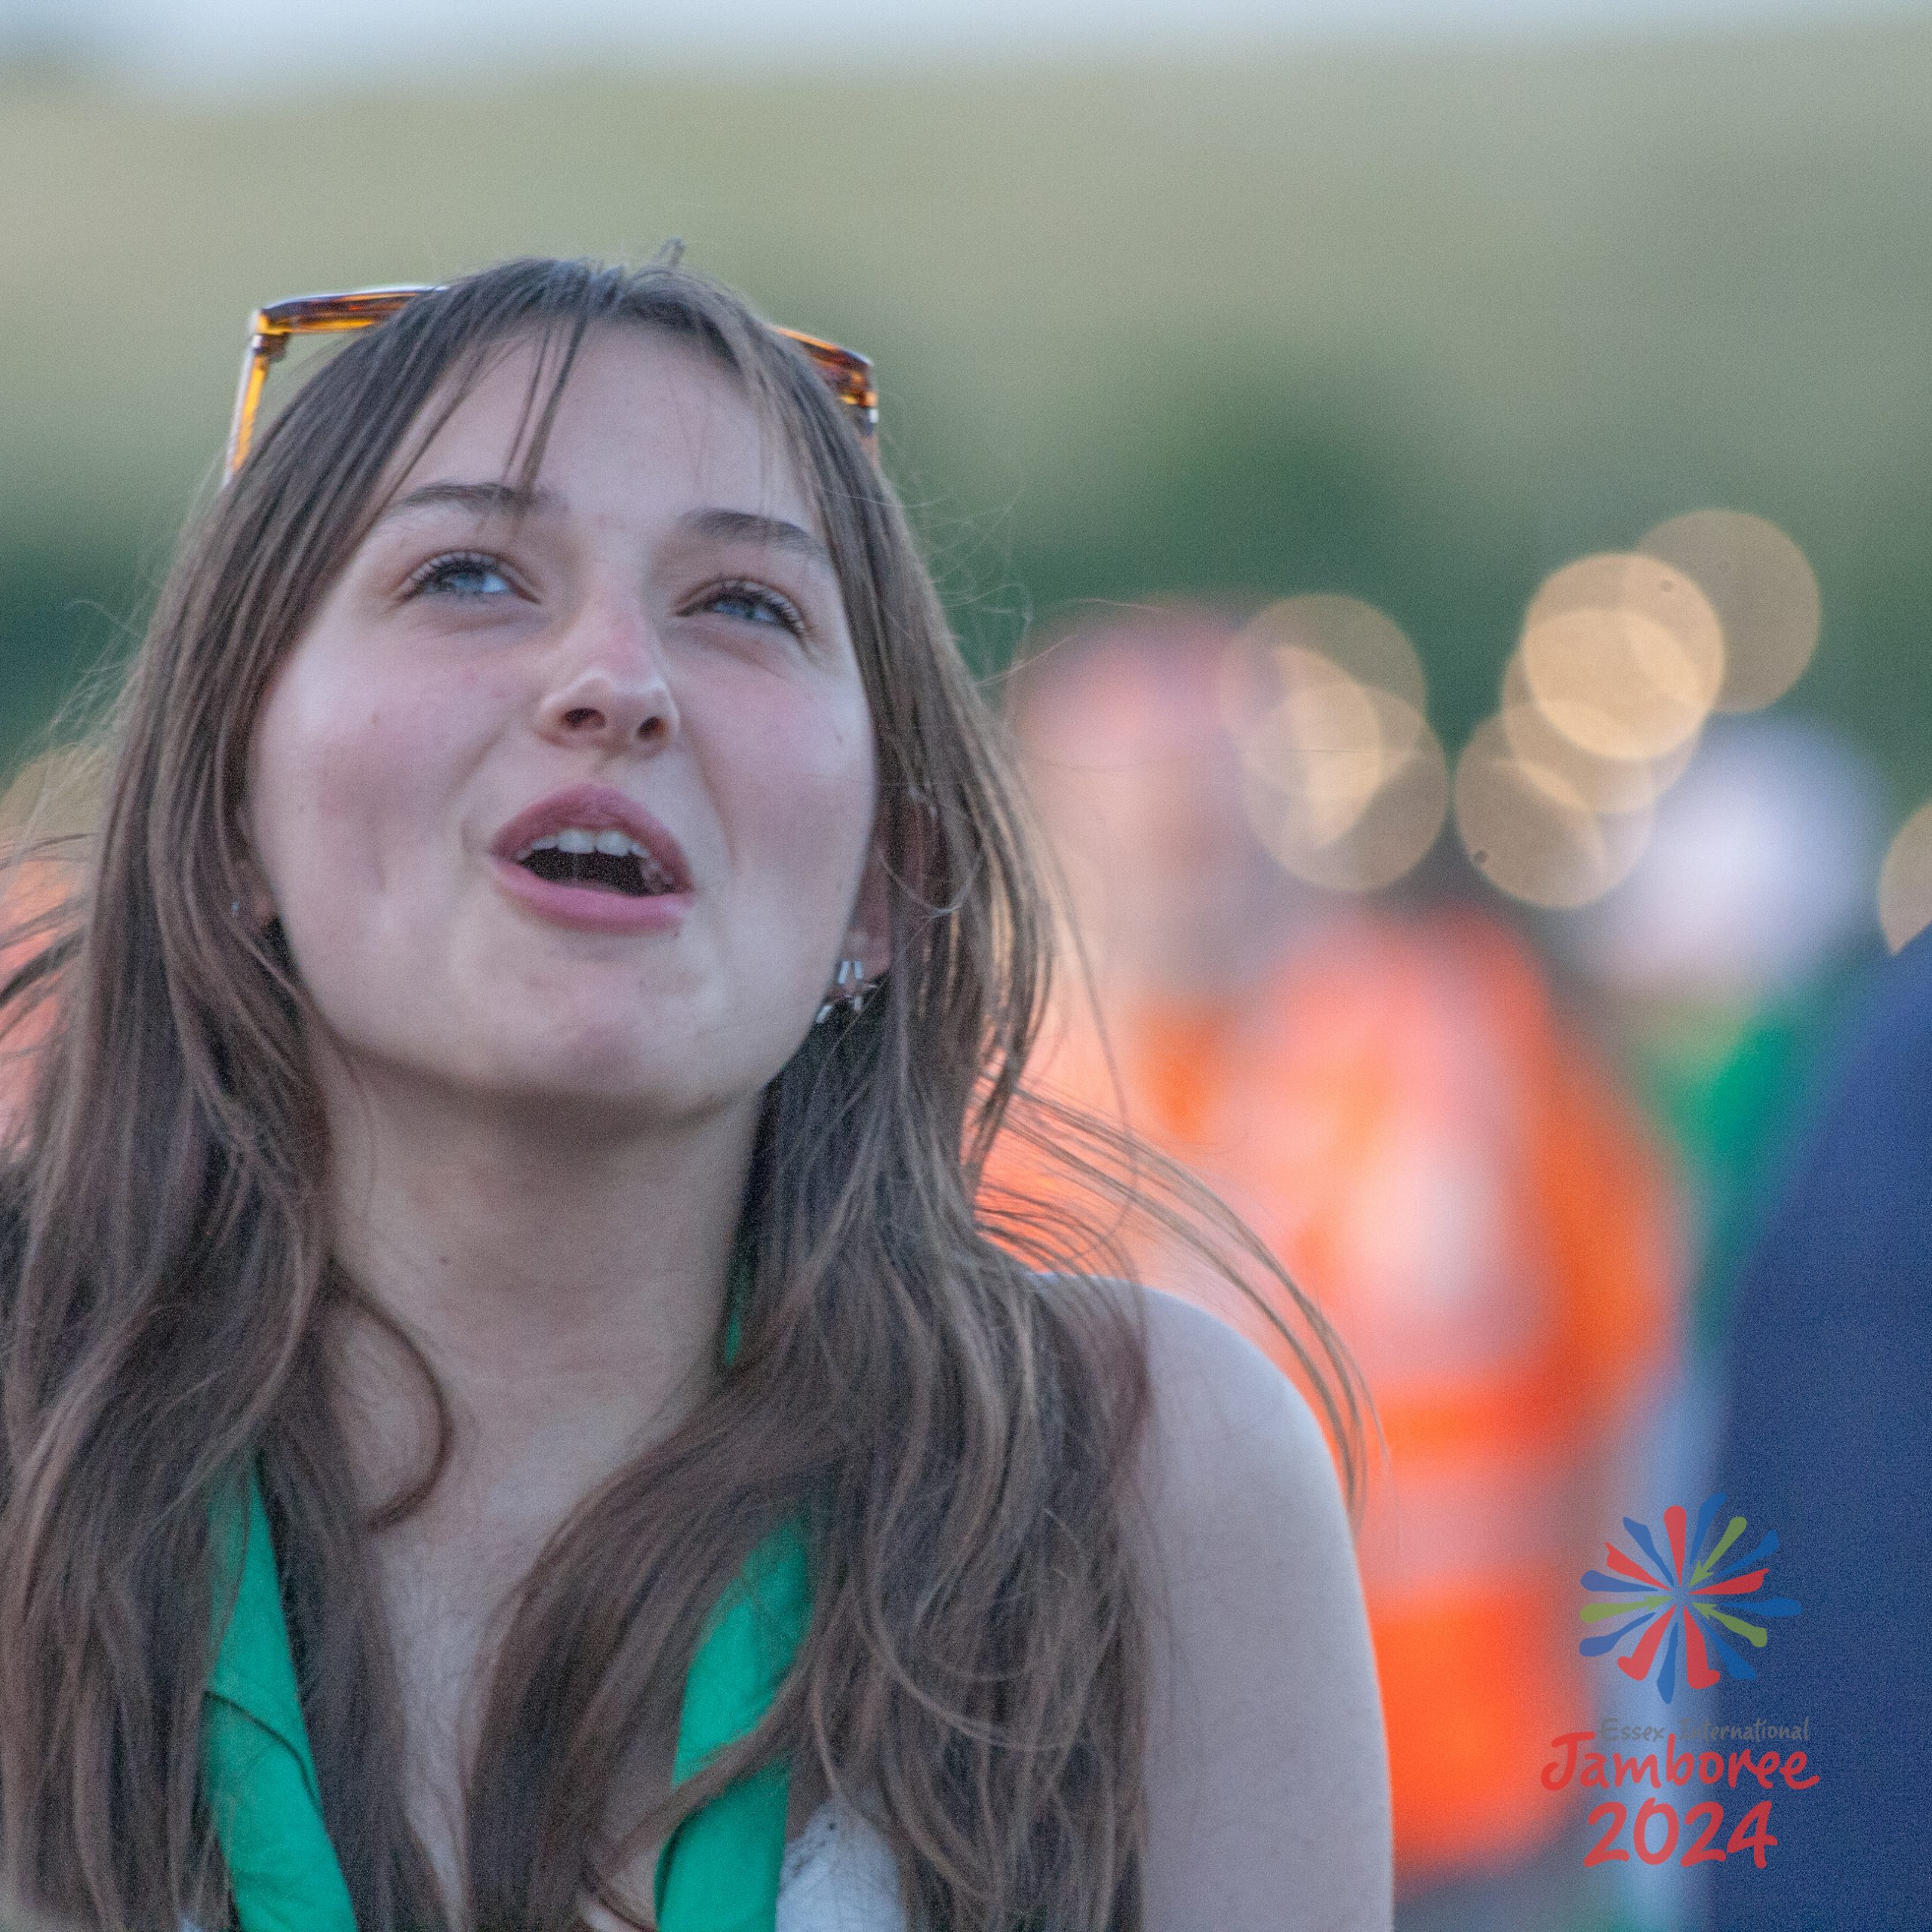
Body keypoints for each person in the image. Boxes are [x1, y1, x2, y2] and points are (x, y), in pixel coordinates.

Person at [0, 259, 1389, 1932]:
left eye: (744, 605)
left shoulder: (1145, 1486)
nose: (613, 677)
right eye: (465, 572)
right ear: (228, 814)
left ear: (884, 880)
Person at [1000, 612, 1676, 1930]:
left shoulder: (1466, 1024)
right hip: (1131, 1816)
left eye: (1212, 789)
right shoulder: (990, 1107)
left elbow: (1623, 1383)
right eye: (1142, 798)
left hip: (1478, 1796)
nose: (1184, 833)